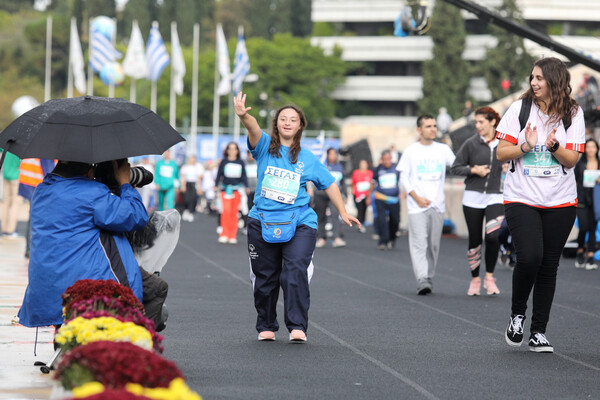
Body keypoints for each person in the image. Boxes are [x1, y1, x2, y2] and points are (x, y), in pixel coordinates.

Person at [234, 92, 361, 342]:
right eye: (283, 119)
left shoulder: (307, 158)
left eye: (293, 119)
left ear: (300, 125)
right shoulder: (263, 147)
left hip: (300, 221)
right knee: (265, 277)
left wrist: (343, 212)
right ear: (277, 124)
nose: (288, 122)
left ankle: (297, 325)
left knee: (294, 272)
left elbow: (330, 184)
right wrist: (244, 116)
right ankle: (266, 324)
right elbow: (253, 128)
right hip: (262, 220)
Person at [497, 57, 585, 353]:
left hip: (560, 200)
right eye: (531, 77)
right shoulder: (519, 109)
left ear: (555, 81)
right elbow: (500, 154)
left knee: (549, 265)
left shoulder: (573, 113)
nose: (533, 83)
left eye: (539, 78)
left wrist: (554, 147)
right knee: (530, 258)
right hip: (522, 196)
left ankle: (538, 332)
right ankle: (517, 314)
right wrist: (525, 145)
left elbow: (572, 161)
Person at [17, 160, 148, 327]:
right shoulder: (92, 193)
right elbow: (136, 216)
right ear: (88, 172)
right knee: (156, 289)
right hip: (83, 290)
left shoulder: (41, 191)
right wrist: (125, 184)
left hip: (46, 293)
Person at [397, 114, 455, 295]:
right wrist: (415, 197)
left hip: (437, 205)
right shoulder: (411, 151)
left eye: (434, 126)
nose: (433, 129)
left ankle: (429, 275)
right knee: (419, 243)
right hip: (417, 206)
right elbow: (403, 177)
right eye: (428, 126)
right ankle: (422, 278)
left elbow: (458, 166)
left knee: (433, 245)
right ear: (419, 130)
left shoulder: (443, 149)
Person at [451, 107, 504, 296]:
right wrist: (473, 170)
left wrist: (508, 167)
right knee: (474, 241)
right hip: (473, 197)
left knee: (492, 237)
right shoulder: (470, 144)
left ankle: (489, 277)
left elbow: (516, 163)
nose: (478, 126)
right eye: (476, 122)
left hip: (496, 195)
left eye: (481, 122)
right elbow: (455, 167)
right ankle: (475, 279)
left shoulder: (505, 142)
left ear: (492, 122)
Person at [17, 158, 55, 258]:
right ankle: (32, 249)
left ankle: (29, 249)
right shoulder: (47, 146)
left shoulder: (33, 144)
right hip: (37, 183)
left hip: (28, 180)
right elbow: (48, 170)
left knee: (32, 216)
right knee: (37, 217)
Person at [214, 142, 248, 244]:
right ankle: (224, 234)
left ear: (237, 151)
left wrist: (246, 186)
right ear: (227, 150)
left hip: (237, 190)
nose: (232, 151)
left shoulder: (240, 162)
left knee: (234, 213)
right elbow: (219, 174)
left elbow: (244, 176)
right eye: (230, 149)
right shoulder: (224, 162)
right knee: (226, 212)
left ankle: (232, 235)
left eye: (234, 149)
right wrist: (216, 185)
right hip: (225, 190)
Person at [574, 138, 599, 270]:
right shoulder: (580, 163)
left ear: (597, 149)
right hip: (582, 199)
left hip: (596, 200)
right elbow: (574, 180)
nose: (590, 149)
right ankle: (580, 251)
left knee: (592, 228)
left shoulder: (599, 163)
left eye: (593, 147)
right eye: (588, 147)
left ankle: (590, 257)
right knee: (583, 227)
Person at [315, 148, 347, 248]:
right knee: (321, 216)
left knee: (335, 214)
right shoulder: (323, 166)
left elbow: (343, 182)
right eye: (331, 154)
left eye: (335, 154)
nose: (333, 156)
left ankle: (336, 238)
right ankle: (321, 238)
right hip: (321, 194)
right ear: (327, 155)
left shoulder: (340, 167)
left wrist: (345, 195)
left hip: (335, 195)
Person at [372, 150, 401, 250]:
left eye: (388, 159)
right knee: (382, 220)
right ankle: (383, 241)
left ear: (391, 159)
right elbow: (372, 183)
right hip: (381, 198)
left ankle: (392, 238)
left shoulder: (396, 168)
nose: (386, 162)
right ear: (381, 160)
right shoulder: (378, 170)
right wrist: (368, 196)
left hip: (394, 200)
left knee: (395, 220)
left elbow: (404, 180)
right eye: (384, 160)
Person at [1, 148, 22, 238]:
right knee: (15, 203)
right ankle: (11, 230)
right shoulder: (21, 147)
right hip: (16, 176)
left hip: (6, 174)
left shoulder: (6, 143)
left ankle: (4, 228)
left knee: (6, 203)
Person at [180, 154, 204, 222]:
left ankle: (191, 212)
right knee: (186, 198)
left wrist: (199, 188)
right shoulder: (185, 167)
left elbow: (199, 178)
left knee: (193, 199)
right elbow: (183, 177)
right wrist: (183, 186)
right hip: (187, 183)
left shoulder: (198, 167)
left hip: (194, 184)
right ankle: (186, 210)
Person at [351, 159, 373, 233]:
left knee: (364, 209)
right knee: (359, 209)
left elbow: (371, 184)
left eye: (364, 164)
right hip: (357, 195)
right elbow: (353, 183)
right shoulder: (356, 173)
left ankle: (361, 222)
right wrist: (353, 191)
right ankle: (359, 223)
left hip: (366, 195)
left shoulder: (370, 173)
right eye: (361, 164)